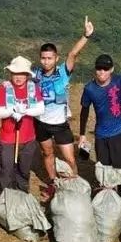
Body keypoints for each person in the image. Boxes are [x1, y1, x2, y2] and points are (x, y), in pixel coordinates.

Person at [33, 17, 95, 181]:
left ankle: (74, 182)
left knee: (69, 158)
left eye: (49, 58)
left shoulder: (63, 73)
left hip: (60, 124)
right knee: (47, 153)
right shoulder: (36, 74)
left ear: (56, 58)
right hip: (40, 122)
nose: (46, 61)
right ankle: (53, 182)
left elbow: (73, 53)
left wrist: (86, 36)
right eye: (43, 58)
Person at [78, 36, 121, 190]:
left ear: (111, 70)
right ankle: (107, 205)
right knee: (104, 174)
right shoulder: (89, 89)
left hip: (118, 134)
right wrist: (82, 134)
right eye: (99, 68)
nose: (102, 72)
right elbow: (84, 112)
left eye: (105, 69)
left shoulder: (118, 82)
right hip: (101, 136)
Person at [0, 56, 46, 196]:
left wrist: (25, 112)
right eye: (15, 73)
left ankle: (22, 197)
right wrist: (12, 111)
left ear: (27, 75)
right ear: (11, 73)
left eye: (22, 73)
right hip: (8, 137)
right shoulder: (3, 89)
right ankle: (3, 200)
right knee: (7, 169)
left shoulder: (33, 88)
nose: (18, 77)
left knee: (24, 170)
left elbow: (40, 109)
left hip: (28, 137)